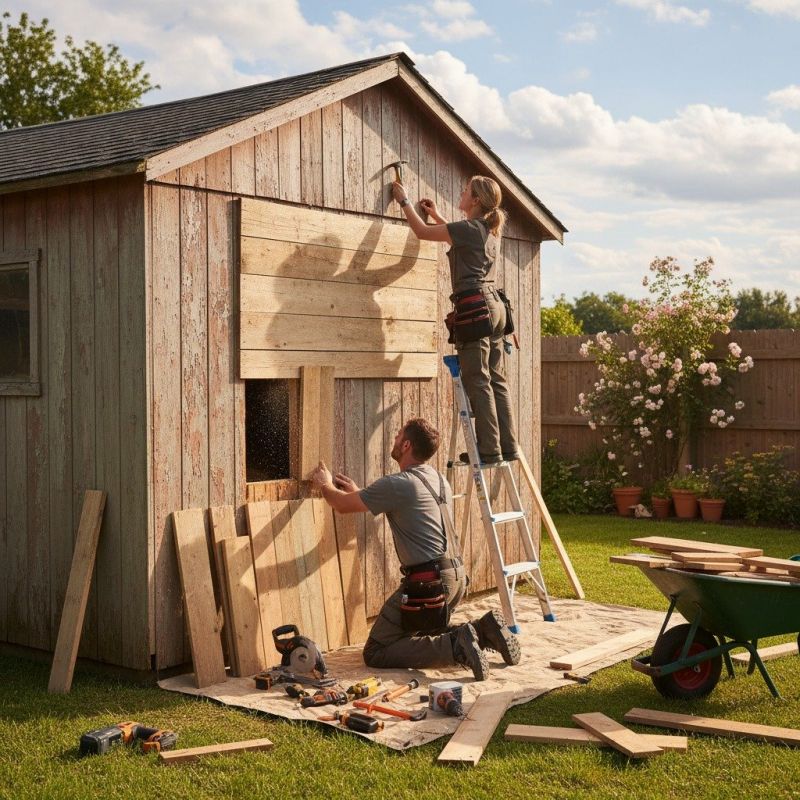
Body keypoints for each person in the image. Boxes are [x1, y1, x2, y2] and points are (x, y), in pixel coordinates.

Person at [310, 417, 520, 681]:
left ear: (406, 444)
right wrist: (360, 493)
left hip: (427, 584)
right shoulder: (437, 479)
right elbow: (406, 504)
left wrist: (324, 483)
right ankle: (484, 630)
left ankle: (455, 647)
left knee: (376, 650)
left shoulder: (398, 484)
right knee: (416, 632)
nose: (395, 439)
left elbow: (341, 505)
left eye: (398, 435)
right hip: (455, 577)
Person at [392, 176, 519, 465]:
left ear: (476, 200)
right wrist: (439, 216)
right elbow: (454, 235)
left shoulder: (471, 229)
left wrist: (404, 201)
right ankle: (506, 446)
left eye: (465, 191)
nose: (461, 193)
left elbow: (422, 232)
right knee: (497, 379)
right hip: (496, 308)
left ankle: (488, 449)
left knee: (478, 379)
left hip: (475, 307)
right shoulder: (487, 231)